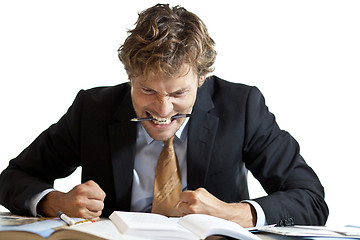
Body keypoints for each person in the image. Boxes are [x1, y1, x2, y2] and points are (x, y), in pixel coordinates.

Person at [0, 4, 328, 228]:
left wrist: (236, 214)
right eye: (147, 91)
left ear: (201, 79)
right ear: (130, 76)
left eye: (177, 94)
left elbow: (311, 200)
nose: (162, 110)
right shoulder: (93, 108)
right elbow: (13, 179)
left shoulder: (242, 106)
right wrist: (55, 201)